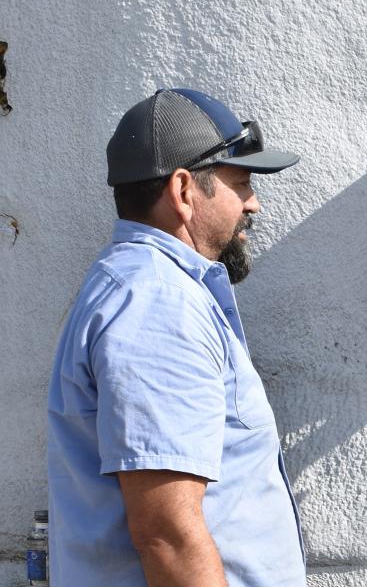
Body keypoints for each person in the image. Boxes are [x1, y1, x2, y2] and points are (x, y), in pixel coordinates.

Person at [47, 89, 306, 586]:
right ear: (184, 190)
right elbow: (167, 534)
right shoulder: (157, 303)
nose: (253, 203)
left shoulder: (145, 289)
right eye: (242, 182)